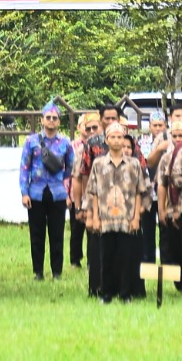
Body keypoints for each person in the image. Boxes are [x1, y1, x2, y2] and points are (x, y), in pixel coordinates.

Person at [83, 122, 148, 304]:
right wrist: (94, 217)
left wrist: (136, 217)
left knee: (126, 257)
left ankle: (125, 293)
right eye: (113, 137)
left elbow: (139, 192)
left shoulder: (133, 164)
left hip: (127, 219)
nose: (117, 140)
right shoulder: (99, 164)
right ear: (107, 140)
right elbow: (94, 192)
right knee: (106, 257)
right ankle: (106, 293)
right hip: (106, 219)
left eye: (120, 137)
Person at [18, 102, 74, 280]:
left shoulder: (65, 143)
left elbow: (70, 169)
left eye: (54, 118)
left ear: (59, 121)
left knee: (57, 234)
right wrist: (24, 193)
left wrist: (68, 192)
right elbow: (24, 168)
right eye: (48, 117)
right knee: (37, 234)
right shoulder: (31, 141)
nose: (51, 121)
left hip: (58, 193)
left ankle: (57, 272)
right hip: (36, 192)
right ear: (42, 120)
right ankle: (38, 272)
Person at [72, 104, 122, 296]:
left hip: (122, 202)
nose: (110, 121)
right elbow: (84, 175)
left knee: (120, 245)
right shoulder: (92, 144)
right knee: (96, 245)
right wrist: (83, 206)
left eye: (113, 118)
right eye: (106, 118)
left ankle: (121, 286)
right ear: (101, 119)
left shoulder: (126, 140)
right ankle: (97, 287)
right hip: (97, 202)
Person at [156, 118, 182, 298]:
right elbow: (162, 184)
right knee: (176, 248)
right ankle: (181, 283)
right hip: (174, 207)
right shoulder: (167, 158)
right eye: (175, 136)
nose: (178, 139)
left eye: (181, 136)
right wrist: (161, 209)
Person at [68, 112, 99, 274]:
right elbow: (77, 178)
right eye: (88, 128)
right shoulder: (81, 150)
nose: (92, 131)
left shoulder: (112, 145)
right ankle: (85, 262)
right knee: (84, 230)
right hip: (88, 200)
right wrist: (78, 205)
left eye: (95, 127)